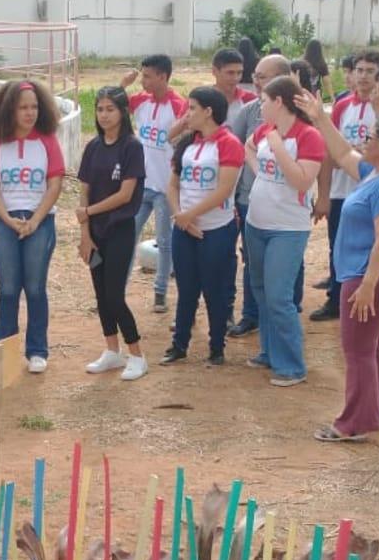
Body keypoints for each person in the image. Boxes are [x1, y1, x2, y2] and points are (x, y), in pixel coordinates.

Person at [297, 95, 379, 443]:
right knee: (373, 345)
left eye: (374, 135)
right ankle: (374, 409)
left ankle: (353, 424)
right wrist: (321, 118)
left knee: (358, 350)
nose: (366, 138)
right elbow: (344, 154)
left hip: (374, 276)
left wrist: (366, 286)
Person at [241, 75, 325, 387]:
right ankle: (268, 350)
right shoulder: (265, 131)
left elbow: (302, 181)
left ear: (279, 102)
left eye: (263, 100)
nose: (259, 105)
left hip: (287, 228)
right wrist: (262, 170)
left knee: (279, 296)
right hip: (257, 222)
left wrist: (278, 150)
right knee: (260, 290)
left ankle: (292, 365)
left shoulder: (308, 136)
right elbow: (248, 148)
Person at [0, 79, 65, 374]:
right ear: (8, 110)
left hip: (39, 221)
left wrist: (36, 220)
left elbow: (55, 184)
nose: (30, 113)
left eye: (34, 107)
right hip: (5, 221)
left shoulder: (48, 140)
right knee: (8, 289)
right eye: (22, 108)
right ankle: (4, 348)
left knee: (35, 287)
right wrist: (7, 219)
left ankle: (37, 350)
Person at [161, 86, 243, 367]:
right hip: (185, 228)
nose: (187, 114)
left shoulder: (229, 143)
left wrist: (189, 215)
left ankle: (217, 346)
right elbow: (172, 185)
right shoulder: (187, 143)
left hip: (217, 228)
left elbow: (224, 190)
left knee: (214, 289)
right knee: (186, 288)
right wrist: (180, 216)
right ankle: (179, 344)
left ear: (209, 112)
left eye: (192, 108)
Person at [76, 86, 148, 381]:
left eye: (110, 109)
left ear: (123, 112)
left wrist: (90, 213)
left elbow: (125, 194)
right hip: (94, 231)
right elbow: (84, 189)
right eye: (100, 109)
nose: (104, 115)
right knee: (101, 295)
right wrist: (85, 232)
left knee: (115, 295)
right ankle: (112, 350)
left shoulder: (131, 147)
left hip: (118, 228)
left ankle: (137, 355)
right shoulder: (93, 147)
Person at [310, 48, 379, 323]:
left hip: (372, 191)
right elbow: (331, 149)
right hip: (343, 190)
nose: (363, 77)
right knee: (338, 245)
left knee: (372, 245)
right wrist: (324, 195)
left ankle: (368, 298)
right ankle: (336, 297)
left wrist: (358, 155)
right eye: (359, 70)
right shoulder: (343, 105)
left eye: (370, 71)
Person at [225, 51, 293, 338]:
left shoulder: (301, 119)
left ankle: (286, 313)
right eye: (254, 76)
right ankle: (251, 315)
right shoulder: (250, 111)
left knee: (285, 265)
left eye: (262, 77)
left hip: (288, 205)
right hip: (248, 198)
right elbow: (233, 145)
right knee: (251, 260)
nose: (255, 82)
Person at [121, 55, 187, 314]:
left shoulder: (179, 105)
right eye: (142, 75)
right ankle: (118, 292)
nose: (143, 81)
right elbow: (111, 104)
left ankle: (161, 292)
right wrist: (122, 85)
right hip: (141, 184)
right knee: (127, 238)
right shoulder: (140, 101)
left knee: (165, 240)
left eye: (148, 76)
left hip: (164, 187)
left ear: (163, 76)